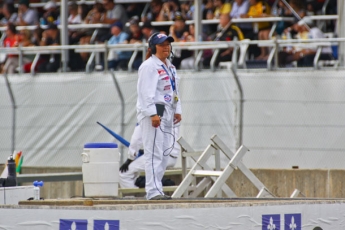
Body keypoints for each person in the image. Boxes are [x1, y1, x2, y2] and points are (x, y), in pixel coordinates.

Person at [136, 32, 182, 200]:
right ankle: (153, 192)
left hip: (168, 112)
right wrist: (152, 114)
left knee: (164, 153)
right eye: (162, 44)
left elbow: (174, 91)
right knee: (154, 152)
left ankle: (158, 189)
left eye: (168, 44)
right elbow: (145, 93)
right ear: (153, 48)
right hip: (154, 113)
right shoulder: (149, 66)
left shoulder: (170, 66)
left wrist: (178, 110)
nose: (166, 47)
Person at [119, 124, 181, 189]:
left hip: (158, 156)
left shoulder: (148, 114)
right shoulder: (172, 113)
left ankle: (133, 198)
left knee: (124, 174)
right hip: (172, 155)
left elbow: (137, 138)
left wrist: (130, 159)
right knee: (140, 176)